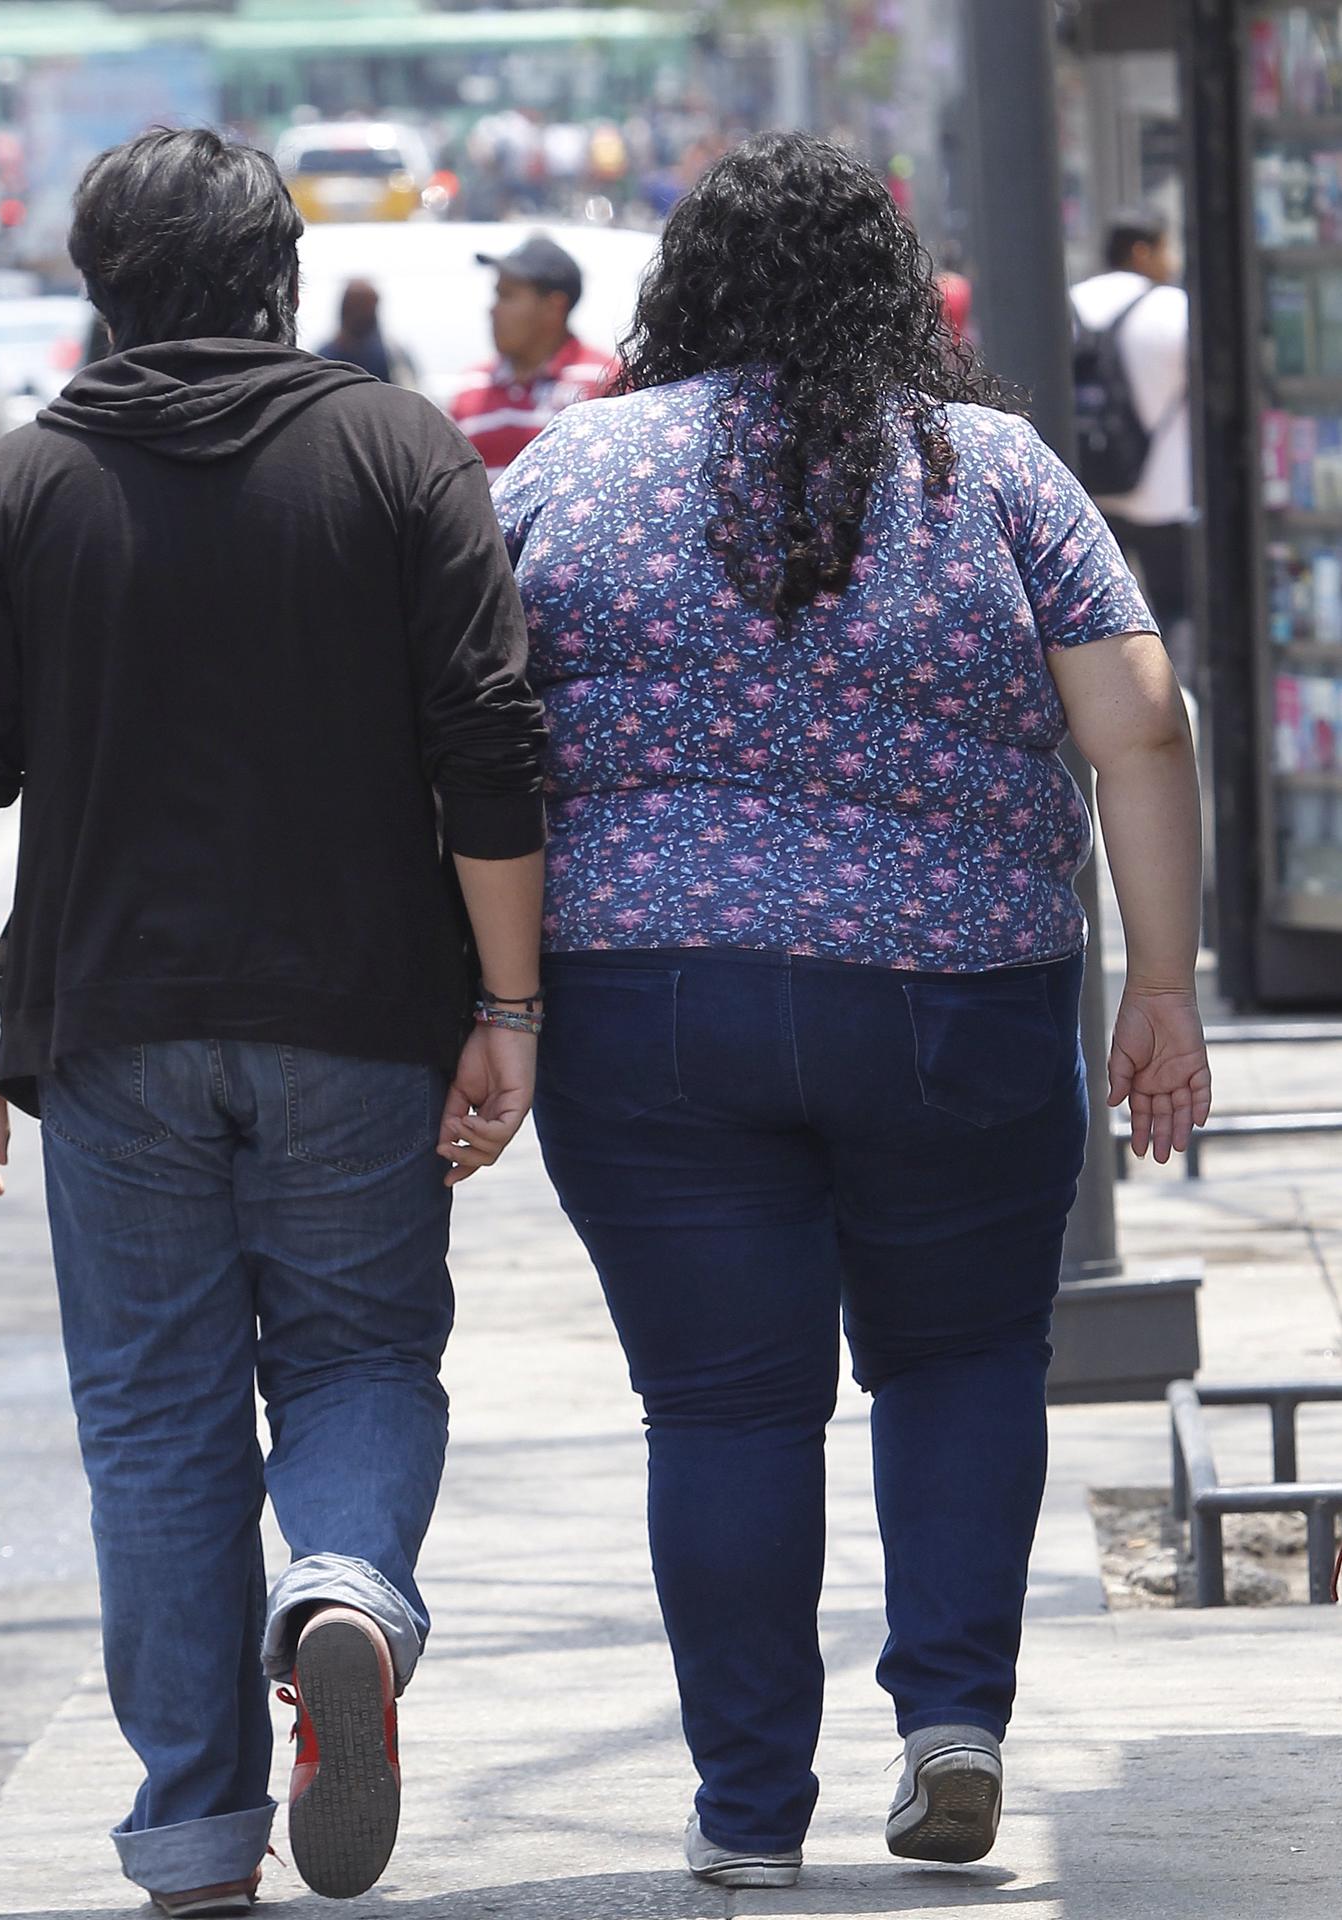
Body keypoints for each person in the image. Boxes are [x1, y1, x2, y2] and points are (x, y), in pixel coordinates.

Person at [495, 133, 1211, 1891]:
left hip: (649, 1002)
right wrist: (1166, 988)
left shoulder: (574, 468)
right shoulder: (993, 468)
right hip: (957, 993)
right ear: (896, 292)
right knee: (962, 1356)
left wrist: (485, 1003)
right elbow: (1138, 722)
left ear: (685, 287)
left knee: (725, 1412)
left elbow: (465, 739)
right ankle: (952, 1722)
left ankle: (749, 1815)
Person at [0, 128, 546, 1914]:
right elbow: (489, 746)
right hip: (359, 1012)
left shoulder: (24, 486)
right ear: (277, 272)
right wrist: (510, 1002)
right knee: (356, 1360)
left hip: (109, 1030)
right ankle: (342, 1588)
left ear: (101, 289)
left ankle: (195, 1839)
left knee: (158, 1422)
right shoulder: (398, 453)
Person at [1071, 209, 1194, 679]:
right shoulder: (1171, 308)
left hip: (1088, 491)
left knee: (1105, 619)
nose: (1171, 259)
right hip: (1165, 493)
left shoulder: (1069, 302)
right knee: (1175, 607)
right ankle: (1180, 702)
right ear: (1142, 251)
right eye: (1166, 247)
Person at [448, 233, 612, 481]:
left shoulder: (603, 380)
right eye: (497, 294)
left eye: (508, 295)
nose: (493, 309)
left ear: (553, 307)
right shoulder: (471, 386)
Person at [317, 276, 415, 387]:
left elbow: (409, 392)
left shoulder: (394, 356)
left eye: (368, 307)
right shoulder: (326, 357)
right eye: (357, 306)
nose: (362, 314)